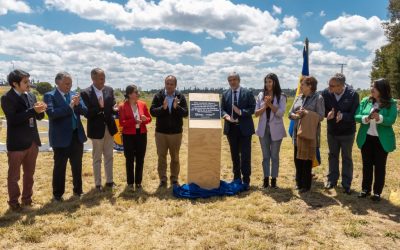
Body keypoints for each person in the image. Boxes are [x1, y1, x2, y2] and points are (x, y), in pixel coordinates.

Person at [1, 69, 46, 211]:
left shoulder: (31, 95)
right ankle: (14, 203)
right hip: (17, 143)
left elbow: (38, 117)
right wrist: (33, 111)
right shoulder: (7, 98)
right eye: (25, 82)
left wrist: (41, 110)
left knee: (30, 174)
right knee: (14, 176)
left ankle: (27, 199)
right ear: (14, 83)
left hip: (32, 141)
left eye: (29, 81)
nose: (29, 84)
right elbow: (13, 120)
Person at [44, 72, 87, 201]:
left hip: (76, 135)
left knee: (77, 165)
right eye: (67, 83)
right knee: (60, 167)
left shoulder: (75, 95)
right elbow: (52, 114)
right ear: (57, 82)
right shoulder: (50, 96)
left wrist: (78, 104)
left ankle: (78, 191)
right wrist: (70, 106)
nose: (69, 86)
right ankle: (57, 195)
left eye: (71, 83)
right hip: (60, 138)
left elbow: (85, 111)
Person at [355, 78, 397, 201]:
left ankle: (377, 192)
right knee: (366, 165)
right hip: (366, 138)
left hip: (381, 140)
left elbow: (391, 120)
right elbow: (357, 115)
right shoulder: (365, 101)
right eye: (372, 86)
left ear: (382, 89)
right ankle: (365, 190)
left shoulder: (391, 103)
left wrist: (380, 118)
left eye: (375, 87)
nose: (372, 89)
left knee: (379, 167)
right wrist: (364, 118)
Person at [81, 68, 118, 191]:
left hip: (109, 127)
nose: (103, 80)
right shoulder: (85, 93)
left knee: (109, 156)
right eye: (101, 78)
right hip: (96, 130)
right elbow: (86, 113)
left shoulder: (109, 90)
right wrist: (100, 108)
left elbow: (112, 106)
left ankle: (109, 181)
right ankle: (98, 184)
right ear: (93, 78)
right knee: (97, 158)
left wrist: (115, 109)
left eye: (104, 77)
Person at [321, 73, 359, 194]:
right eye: (329, 84)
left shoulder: (353, 95)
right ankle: (332, 180)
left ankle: (346, 183)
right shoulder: (326, 93)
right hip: (332, 131)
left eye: (332, 86)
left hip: (347, 132)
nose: (329, 88)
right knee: (332, 155)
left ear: (341, 86)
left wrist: (343, 116)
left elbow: (354, 114)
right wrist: (327, 114)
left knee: (346, 157)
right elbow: (322, 110)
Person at [150, 75, 188, 187]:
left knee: (175, 157)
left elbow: (186, 113)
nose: (169, 86)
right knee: (161, 157)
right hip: (161, 133)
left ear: (175, 85)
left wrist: (177, 107)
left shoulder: (180, 96)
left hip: (176, 133)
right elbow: (152, 112)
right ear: (164, 84)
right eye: (167, 83)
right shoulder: (158, 96)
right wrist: (163, 108)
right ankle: (162, 179)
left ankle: (174, 179)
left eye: (172, 84)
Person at [288, 76, 324, 193]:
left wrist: (307, 113)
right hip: (297, 132)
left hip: (309, 133)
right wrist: (296, 115)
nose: (300, 87)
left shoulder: (318, 98)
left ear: (310, 86)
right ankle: (298, 182)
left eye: (302, 84)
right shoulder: (298, 97)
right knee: (297, 158)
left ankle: (306, 185)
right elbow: (290, 113)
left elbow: (320, 116)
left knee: (307, 160)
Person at [221, 72, 256, 190]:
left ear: (239, 80)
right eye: (230, 80)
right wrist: (226, 116)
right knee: (234, 155)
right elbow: (221, 110)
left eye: (234, 79)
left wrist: (240, 112)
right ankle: (236, 178)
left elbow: (252, 108)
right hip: (231, 129)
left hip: (245, 129)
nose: (232, 82)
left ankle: (246, 180)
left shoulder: (248, 93)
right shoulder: (225, 94)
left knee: (245, 156)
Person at [255, 73, 287, 189]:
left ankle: (274, 180)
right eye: (266, 82)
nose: (268, 84)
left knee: (274, 156)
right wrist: (265, 106)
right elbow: (256, 113)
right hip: (263, 129)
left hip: (276, 129)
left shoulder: (281, 96)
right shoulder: (260, 95)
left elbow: (281, 114)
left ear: (275, 82)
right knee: (265, 156)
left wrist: (271, 104)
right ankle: (265, 179)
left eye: (270, 82)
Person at [118, 85, 151, 190]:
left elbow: (149, 119)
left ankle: (138, 182)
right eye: (136, 92)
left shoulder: (143, 104)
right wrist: (133, 121)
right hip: (128, 135)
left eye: (138, 92)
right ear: (129, 94)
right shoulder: (122, 106)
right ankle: (130, 183)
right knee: (129, 159)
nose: (138, 94)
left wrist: (145, 119)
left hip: (141, 134)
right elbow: (121, 123)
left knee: (140, 159)